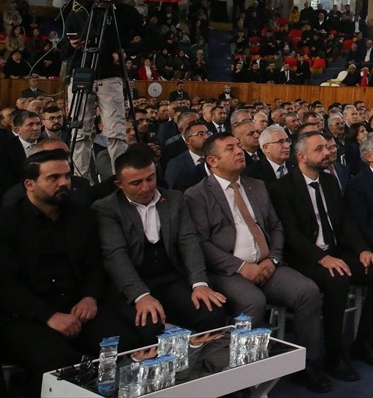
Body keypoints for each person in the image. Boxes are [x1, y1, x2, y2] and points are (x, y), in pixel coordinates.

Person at [184, 133, 329, 393]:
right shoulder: (197, 195)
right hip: (228, 271)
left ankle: (308, 365)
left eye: (238, 146)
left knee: (307, 291)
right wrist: (241, 267)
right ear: (212, 161)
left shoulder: (256, 185)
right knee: (254, 302)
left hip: (267, 263)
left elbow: (276, 226)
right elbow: (202, 244)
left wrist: (272, 259)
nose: (239, 151)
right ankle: (243, 377)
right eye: (231, 148)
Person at [0, 150, 138, 389]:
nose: (64, 183)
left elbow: (95, 265)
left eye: (67, 176)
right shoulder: (8, 222)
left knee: (126, 346)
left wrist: (90, 297)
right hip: (27, 315)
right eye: (53, 178)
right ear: (29, 184)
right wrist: (48, 316)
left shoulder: (81, 215)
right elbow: (6, 285)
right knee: (59, 365)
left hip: (78, 307)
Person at [270, 131, 373, 375]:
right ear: (301, 157)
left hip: (335, 251)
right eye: (319, 149)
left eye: (326, 148)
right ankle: (333, 354)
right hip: (303, 258)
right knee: (337, 280)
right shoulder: (282, 188)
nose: (327, 153)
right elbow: (291, 234)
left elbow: (346, 221)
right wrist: (321, 258)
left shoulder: (329, 181)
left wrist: (363, 251)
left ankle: (364, 342)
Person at [94, 146, 226, 343]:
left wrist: (199, 284)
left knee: (211, 311)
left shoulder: (173, 198)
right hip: (133, 282)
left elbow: (188, 242)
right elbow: (116, 256)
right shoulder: (106, 208)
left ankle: (207, 364)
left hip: (171, 277)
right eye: (136, 183)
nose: (146, 187)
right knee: (149, 324)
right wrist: (140, 296)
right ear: (119, 184)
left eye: (150, 178)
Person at [61, 0, 144, 182]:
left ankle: (121, 179)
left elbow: (152, 36)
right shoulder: (74, 13)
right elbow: (62, 50)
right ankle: (81, 180)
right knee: (80, 133)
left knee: (116, 133)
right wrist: (70, 45)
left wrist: (126, 51)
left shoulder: (121, 12)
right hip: (81, 74)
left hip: (108, 77)